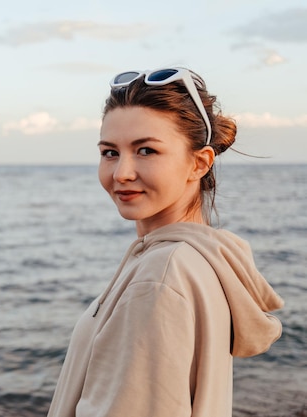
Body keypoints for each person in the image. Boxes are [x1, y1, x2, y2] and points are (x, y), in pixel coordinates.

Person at [47, 67, 284, 417]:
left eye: (146, 151)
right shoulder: (202, 260)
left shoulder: (160, 275)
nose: (121, 172)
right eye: (110, 152)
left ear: (199, 163)